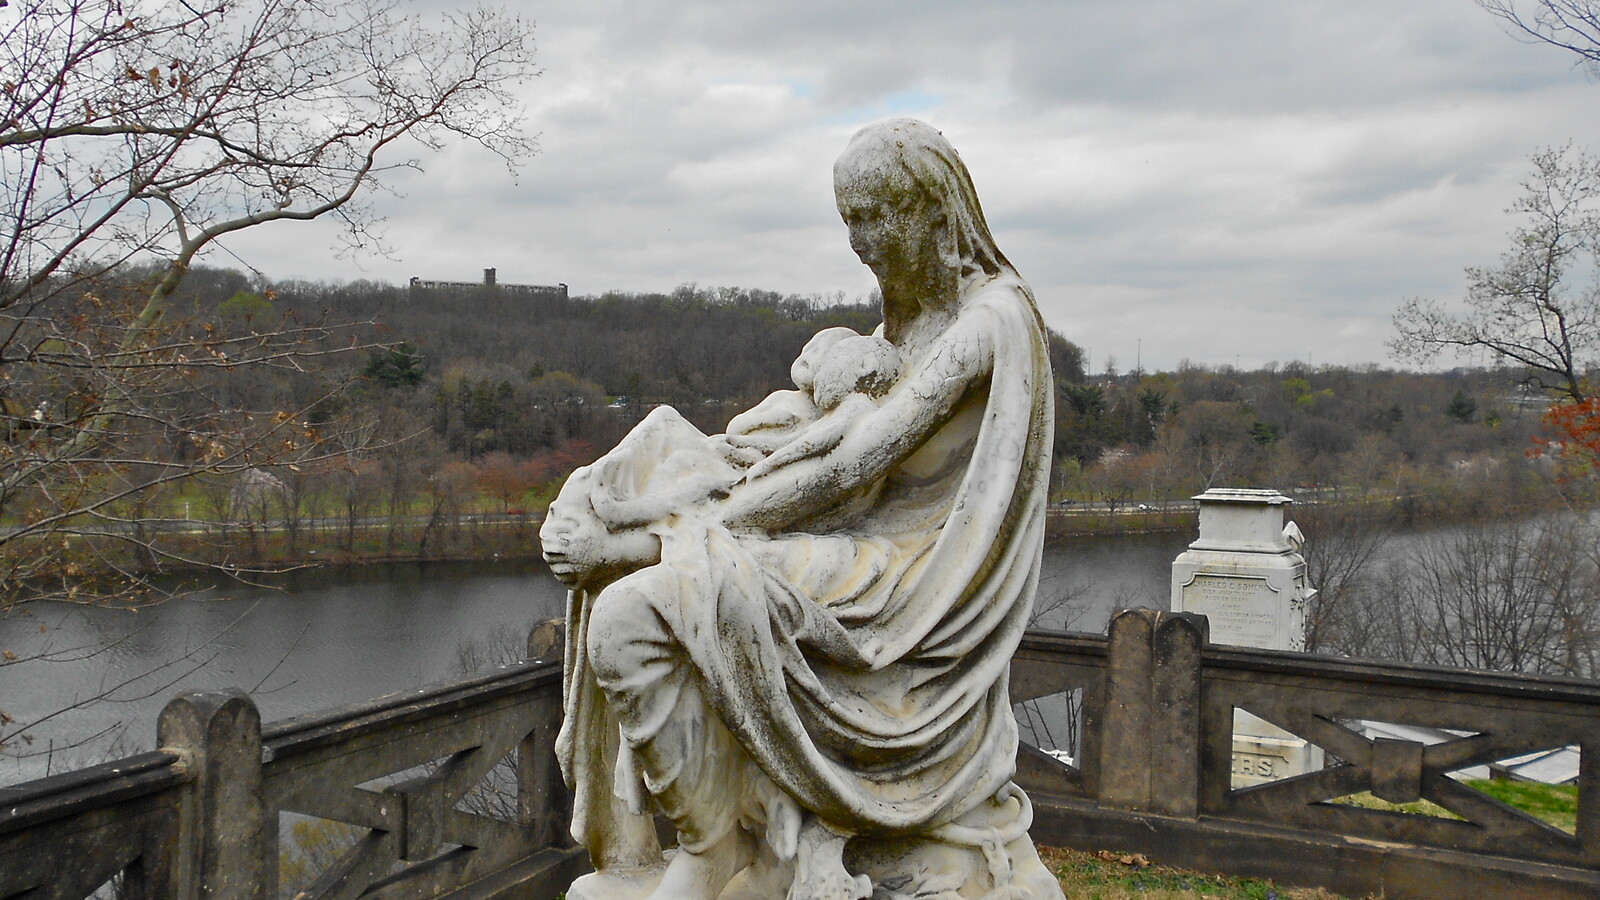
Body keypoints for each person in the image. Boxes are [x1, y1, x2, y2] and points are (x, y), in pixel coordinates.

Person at [542, 118, 1062, 900]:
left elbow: (857, 463)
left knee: (637, 612)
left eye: (875, 217)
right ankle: (710, 841)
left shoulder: (993, 320)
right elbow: (827, 441)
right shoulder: (905, 324)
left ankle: (713, 850)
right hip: (852, 542)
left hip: (910, 583)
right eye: (848, 221)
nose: (860, 242)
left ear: (932, 208)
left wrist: (644, 543)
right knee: (662, 477)